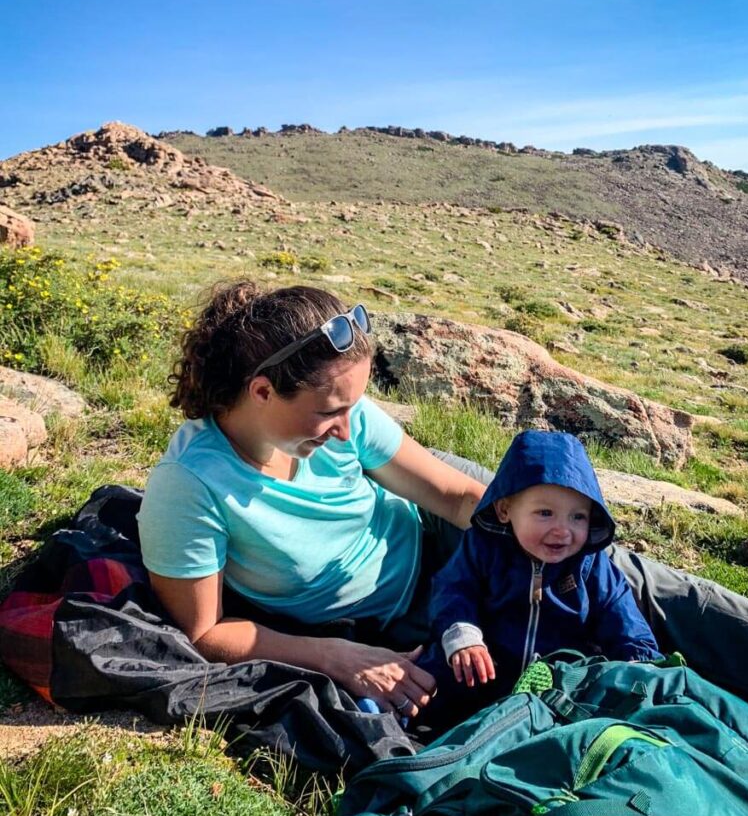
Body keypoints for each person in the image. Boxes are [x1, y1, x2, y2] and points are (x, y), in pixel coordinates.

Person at [137, 281, 486, 719]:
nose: (346, 428)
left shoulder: (344, 415)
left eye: (352, 407)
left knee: (565, 538)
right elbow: (205, 632)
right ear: (262, 391)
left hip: (431, 540)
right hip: (380, 624)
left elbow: (457, 498)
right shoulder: (189, 485)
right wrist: (334, 657)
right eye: (327, 414)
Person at [419, 430, 660, 716]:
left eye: (577, 517)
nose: (563, 530)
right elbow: (453, 589)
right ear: (505, 509)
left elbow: (620, 612)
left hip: (555, 689)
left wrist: (638, 663)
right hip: (482, 670)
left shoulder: (590, 564)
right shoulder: (483, 547)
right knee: (433, 674)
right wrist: (463, 637)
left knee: (606, 694)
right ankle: (387, 716)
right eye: (545, 513)